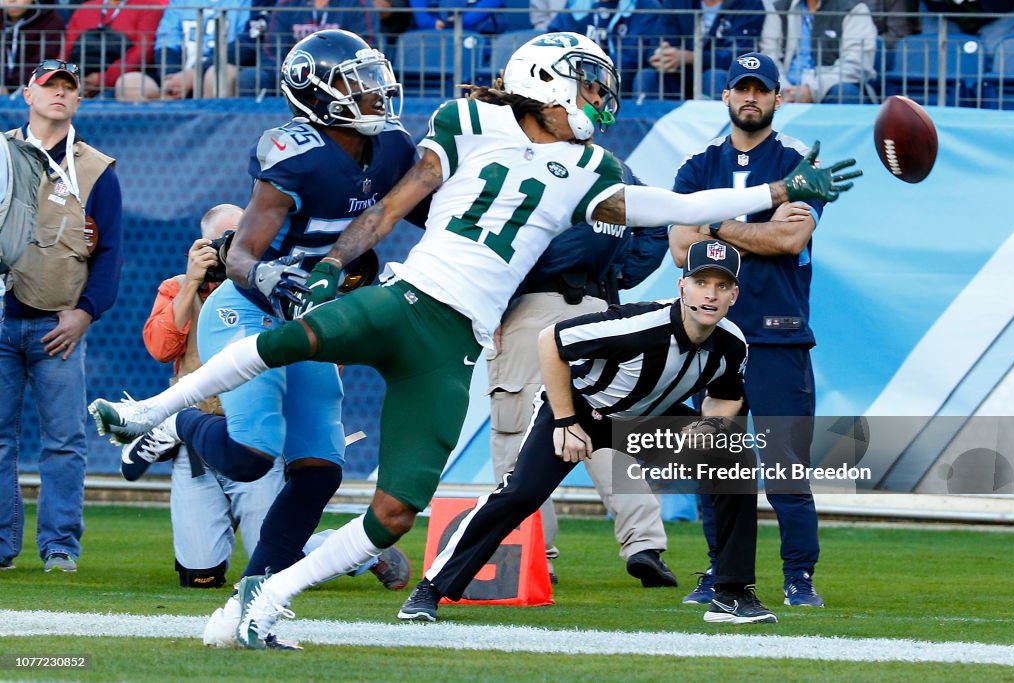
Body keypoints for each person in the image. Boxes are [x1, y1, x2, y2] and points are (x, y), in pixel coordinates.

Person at [88, 31, 857, 648]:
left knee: (396, 511)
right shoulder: (464, 122)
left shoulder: (591, 167)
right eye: (583, 81)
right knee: (291, 338)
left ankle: (268, 599)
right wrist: (329, 264)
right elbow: (393, 207)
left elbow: (673, 204)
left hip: (454, 346)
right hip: (407, 299)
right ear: (548, 81)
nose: (595, 95)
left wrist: (777, 190)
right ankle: (150, 410)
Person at [401, 240, 778, 624]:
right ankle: (430, 589)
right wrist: (565, 421)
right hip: (583, 409)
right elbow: (551, 341)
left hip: (646, 421)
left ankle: (731, 594)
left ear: (735, 294)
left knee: (732, 459)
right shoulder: (639, 325)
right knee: (521, 494)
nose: (710, 294)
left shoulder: (732, 344)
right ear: (682, 286)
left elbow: (726, 396)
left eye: (721, 286)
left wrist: (707, 432)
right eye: (701, 283)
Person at [135, 203, 408, 594]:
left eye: (243, 238)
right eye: (223, 242)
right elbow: (161, 347)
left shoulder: (285, 288)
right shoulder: (179, 286)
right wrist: (193, 282)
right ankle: (346, 547)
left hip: (256, 433)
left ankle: (357, 551)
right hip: (201, 437)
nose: (234, 249)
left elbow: (331, 361)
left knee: (278, 552)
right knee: (200, 576)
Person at [668, 52, 827, 608]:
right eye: (742, 88)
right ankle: (720, 571)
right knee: (714, 464)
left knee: (786, 467)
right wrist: (755, 226)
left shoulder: (799, 166)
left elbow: (789, 242)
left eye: (762, 89)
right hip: (711, 342)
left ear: (779, 99)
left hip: (778, 335)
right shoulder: (697, 166)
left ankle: (799, 578)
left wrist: (713, 224)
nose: (751, 97)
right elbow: (680, 250)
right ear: (727, 96)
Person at [487, 164, 677, 588]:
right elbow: (654, 224)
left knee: (517, 436)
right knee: (609, 433)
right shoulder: (617, 168)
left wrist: (491, 306)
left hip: (529, 310)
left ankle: (534, 555)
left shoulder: (523, 161)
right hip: (599, 310)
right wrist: (619, 274)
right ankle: (643, 544)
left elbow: (492, 243)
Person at [0, 60, 123, 573]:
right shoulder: (1, 153)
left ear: (78, 102)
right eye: (49, 86)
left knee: (65, 442)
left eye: (68, 89)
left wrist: (86, 314)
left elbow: (111, 251)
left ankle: (60, 547)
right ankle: (3, 546)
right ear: (27, 94)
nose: (58, 95)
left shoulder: (97, 167)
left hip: (59, 326)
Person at [236, 0, 382, 98]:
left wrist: (329, 77)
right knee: (249, 77)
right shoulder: (286, 4)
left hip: (340, 79)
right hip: (292, 75)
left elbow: (364, 49)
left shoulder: (359, 4)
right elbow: (271, 52)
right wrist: (293, 77)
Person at [116, 0, 252, 101]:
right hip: (177, 74)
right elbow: (166, 41)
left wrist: (194, 75)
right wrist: (172, 78)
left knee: (218, 76)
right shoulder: (180, 1)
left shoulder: (246, 2)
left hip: (215, 71)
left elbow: (243, 46)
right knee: (128, 83)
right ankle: (160, 136)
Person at [639, 0, 765, 100]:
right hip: (679, 75)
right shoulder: (676, 2)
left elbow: (742, 57)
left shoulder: (750, 3)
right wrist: (660, 56)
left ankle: (723, 131)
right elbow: (655, 42)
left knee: (712, 77)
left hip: (724, 78)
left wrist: (692, 58)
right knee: (647, 77)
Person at [760, 0, 878, 104]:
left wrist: (811, 90)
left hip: (829, 88)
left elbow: (856, 64)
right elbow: (769, 58)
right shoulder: (779, 9)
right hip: (785, 89)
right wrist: (785, 90)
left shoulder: (854, 9)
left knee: (846, 92)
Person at [547, 0, 666, 96]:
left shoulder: (644, 5)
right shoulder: (577, 4)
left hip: (620, 75)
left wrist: (595, 72)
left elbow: (632, 53)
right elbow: (555, 38)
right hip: (579, 72)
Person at [60, 0, 166, 99]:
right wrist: (68, 78)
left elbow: (143, 51)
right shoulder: (86, 8)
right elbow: (67, 50)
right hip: (79, 79)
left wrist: (104, 79)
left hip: (121, 79)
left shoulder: (149, 7)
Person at [1, 1, 66, 94]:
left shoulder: (50, 19)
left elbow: (44, 60)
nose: (12, 0)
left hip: (33, 89)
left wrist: (11, 87)